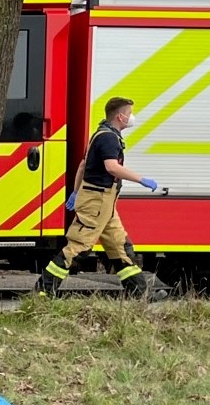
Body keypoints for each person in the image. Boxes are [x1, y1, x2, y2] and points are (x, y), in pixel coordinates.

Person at [40, 96, 157, 297]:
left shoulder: (100, 134)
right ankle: (43, 291)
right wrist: (141, 179)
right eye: (129, 113)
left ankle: (140, 294)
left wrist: (76, 192)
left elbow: (83, 166)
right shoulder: (109, 138)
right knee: (78, 247)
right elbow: (111, 167)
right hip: (98, 201)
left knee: (120, 247)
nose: (131, 117)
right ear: (120, 117)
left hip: (103, 204)